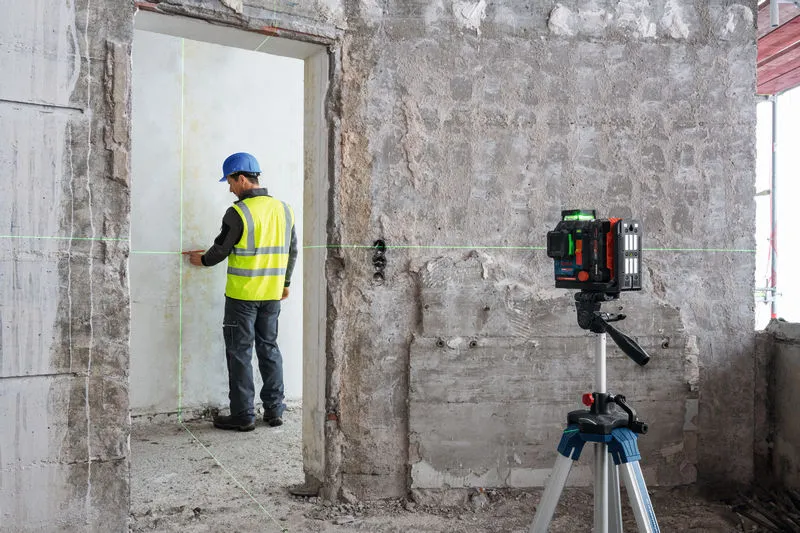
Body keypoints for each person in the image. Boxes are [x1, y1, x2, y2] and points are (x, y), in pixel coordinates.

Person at [185, 152, 297, 431]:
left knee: (239, 353)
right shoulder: (284, 209)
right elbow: (292, 251)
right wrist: (285, 283)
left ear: (243, 178)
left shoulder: (237, 213)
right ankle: (274, 410)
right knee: (269, 348)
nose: (229, 187)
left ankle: (243, 415)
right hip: (272, 294)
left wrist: (203, 259)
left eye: (231, 181)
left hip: (242, 296)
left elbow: (221, 248)